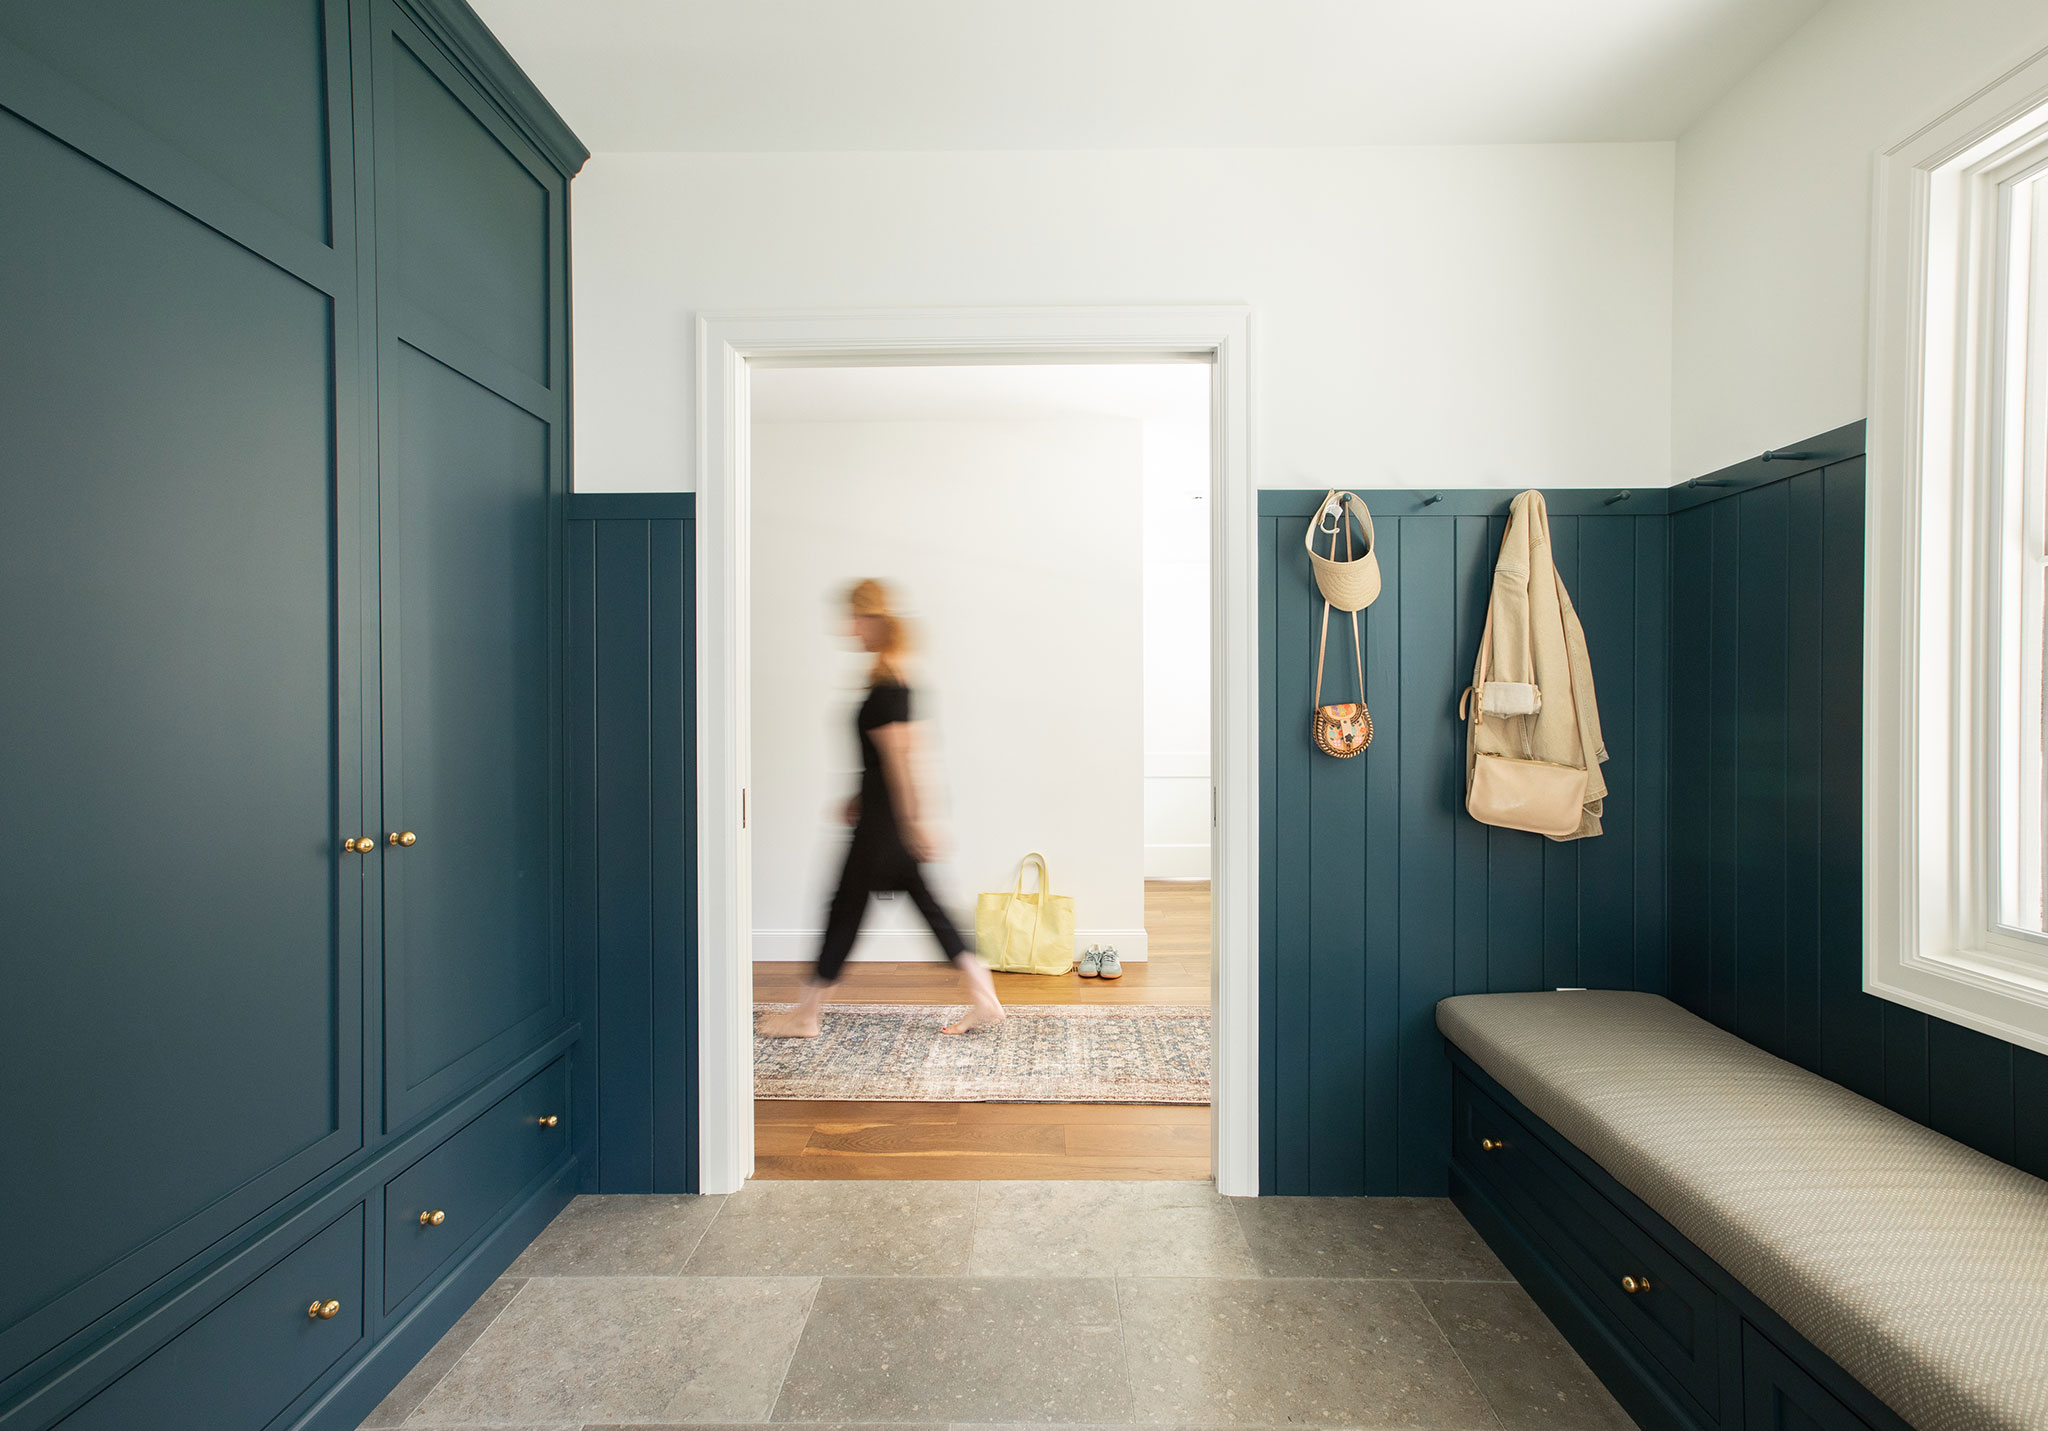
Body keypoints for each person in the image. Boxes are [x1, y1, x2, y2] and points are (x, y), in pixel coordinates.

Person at [757, 579, 1006, 1039]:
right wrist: (859, 798)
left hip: (884, 827)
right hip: (882, 818)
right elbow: (884, 760)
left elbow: (900, 759)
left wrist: (916, 823)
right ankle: (984, 998)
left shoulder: (888, 683)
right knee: (926, 907)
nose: (848, 626)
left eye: (854, 616)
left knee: (844, 910)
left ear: (872, 620)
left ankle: (807, 1015)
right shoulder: (888, 676)